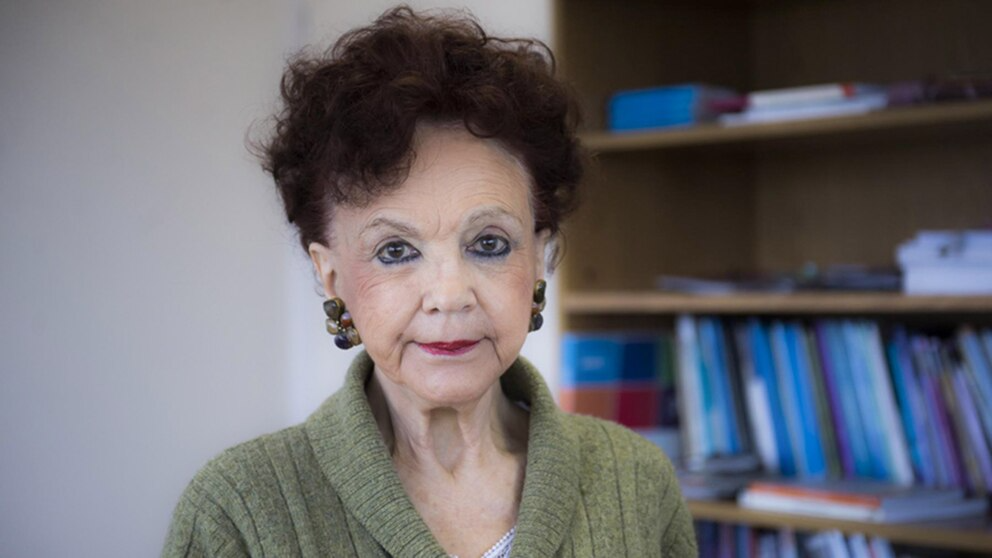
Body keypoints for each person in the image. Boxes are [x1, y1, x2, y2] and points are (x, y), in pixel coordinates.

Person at [162, 6, 695, 557]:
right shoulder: (237, 513)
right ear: (331, 276)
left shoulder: (636, 481)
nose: (449, 296)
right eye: (395, 251)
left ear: (540, 257)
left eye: (489, 243)